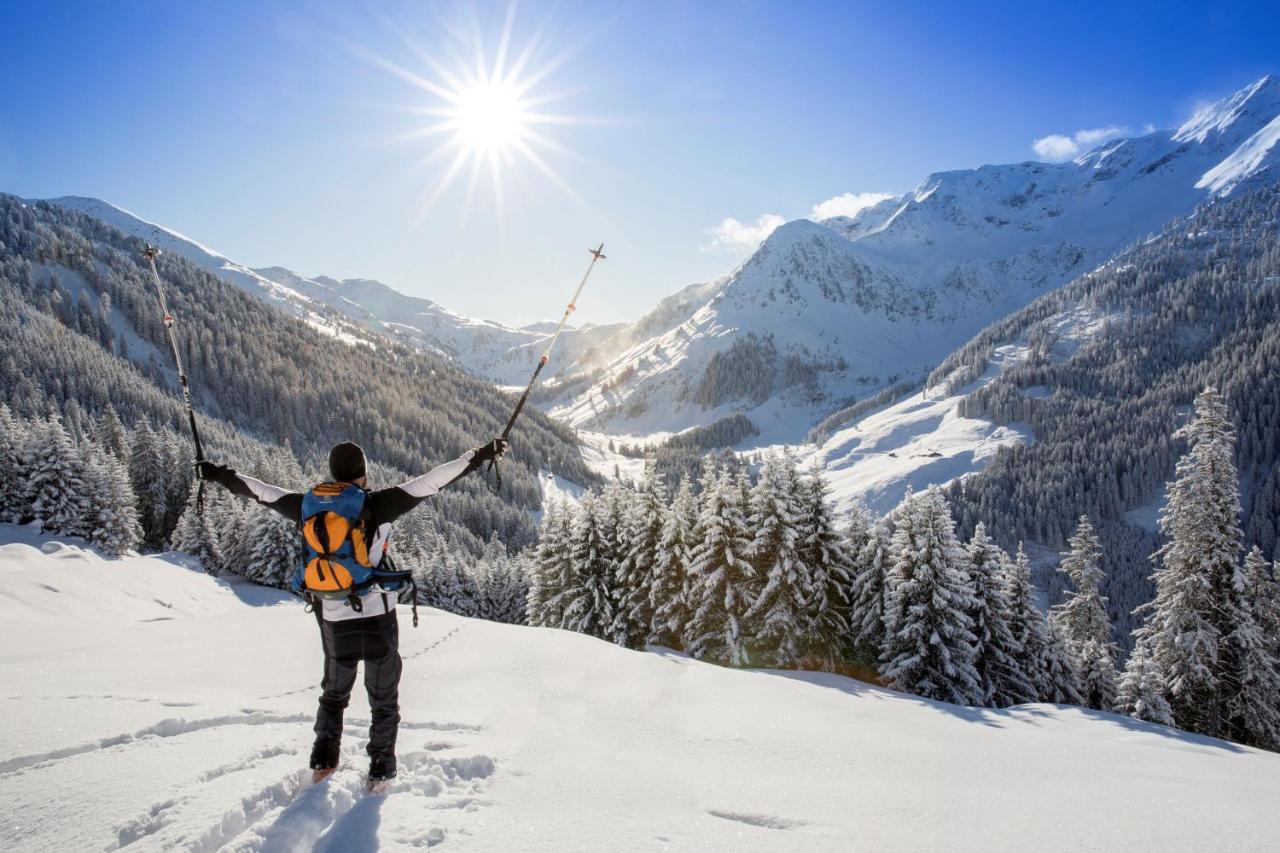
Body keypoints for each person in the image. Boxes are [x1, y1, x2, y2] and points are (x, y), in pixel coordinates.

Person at [198, 437, 508, 784]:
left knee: (333, 696)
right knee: (384, 702)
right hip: (377, 618)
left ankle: (323, 764)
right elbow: (434, 480)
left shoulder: (306, 505)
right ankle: (380, 770)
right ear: (363, 474)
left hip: (333, 619)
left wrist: (215, 474)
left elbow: (260, 491)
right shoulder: (378, 505)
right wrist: (480, 455)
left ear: (333, 473)